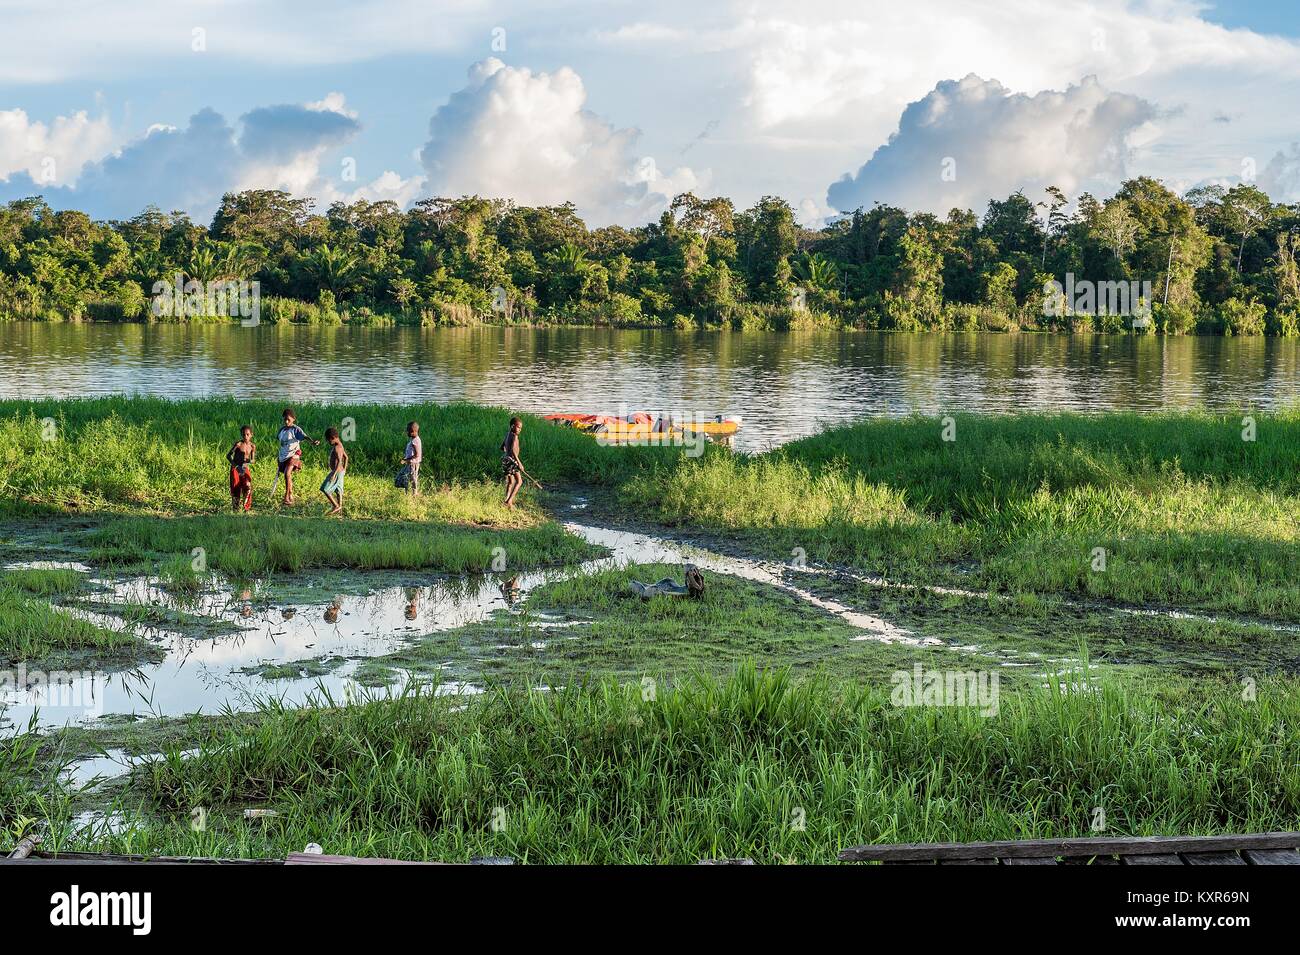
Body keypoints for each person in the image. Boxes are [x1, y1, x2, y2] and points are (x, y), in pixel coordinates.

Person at [276, 408, 320, 505]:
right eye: (285, 419)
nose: (286, 421)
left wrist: (312, 442)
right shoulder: (282, 430)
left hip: (294, 455)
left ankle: (286, 497)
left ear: (293, 419)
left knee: (287, 473)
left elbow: (304, 436)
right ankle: (291, 493)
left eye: (289, 419)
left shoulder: (295, 429)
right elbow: (281, 443)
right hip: (283, 456)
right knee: (288, 476)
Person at [225, 425, 256, 512]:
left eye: (247, 434)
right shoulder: (238, 444)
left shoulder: (252, 446)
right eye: (243, 435)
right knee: (236, 487)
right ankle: (236, 508)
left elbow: (253, 460)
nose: (245, 437)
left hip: (244, 468)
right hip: (236, 468)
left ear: (251, 435)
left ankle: (246, 508)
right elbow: (228, 456)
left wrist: (249, 460)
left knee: (248, 486)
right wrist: (236, 466)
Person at [320, 426, 349, 515]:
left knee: (325, 488)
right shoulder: (340, 445)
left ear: (332, 438)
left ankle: (336, 506)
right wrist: (344, 469)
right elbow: (346, 457)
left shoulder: (337, 448)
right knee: (338, 490)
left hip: (336, 472)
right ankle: (340, 510)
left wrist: (333, 474)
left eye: (328, 440)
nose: (328, 442)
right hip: (340, 472)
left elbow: (340, 461)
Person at [501, 416, 524, 509]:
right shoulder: (514, 436)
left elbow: (502, 447)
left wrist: (506, 453)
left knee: (510, 482)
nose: (519, 430)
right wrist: (519, 463)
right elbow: (514, 452)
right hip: (511, 461)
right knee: (519, 481)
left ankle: (506, 500)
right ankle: (509, 501)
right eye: (518, 427)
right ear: (512, 426)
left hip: (505, 459)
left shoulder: (508, 434)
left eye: (520, 428)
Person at [400, 421, 422, 495]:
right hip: (411, 462)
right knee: (410, 477)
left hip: (414, 463)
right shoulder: (414, 439)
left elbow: (417, 454)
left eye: (408, 431)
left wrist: (405, 460)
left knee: (413, 478)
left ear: (413, 432)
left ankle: (414, 493)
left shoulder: (415, 441)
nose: (407, 433)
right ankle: (409, 492)